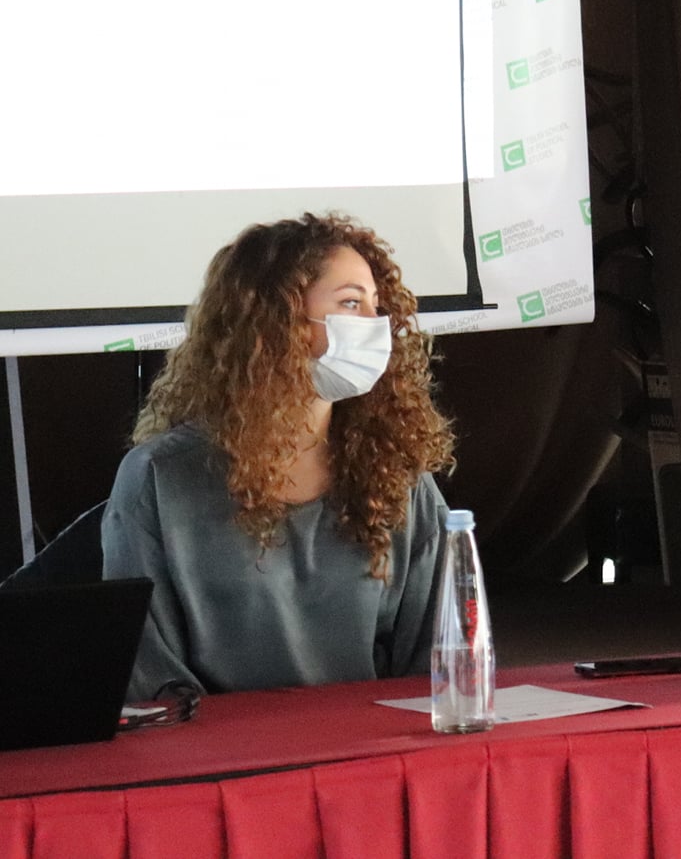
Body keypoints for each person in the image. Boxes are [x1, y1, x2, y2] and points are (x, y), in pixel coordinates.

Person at [103, 214, 455, 699]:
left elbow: (438, 658)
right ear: (277, 319)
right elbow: (149, 675)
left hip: (368, 740)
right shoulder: (160, 478)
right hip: (221, 746)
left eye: (377, 306)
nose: (376, 327)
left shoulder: (399, 475)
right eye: (351, 303)